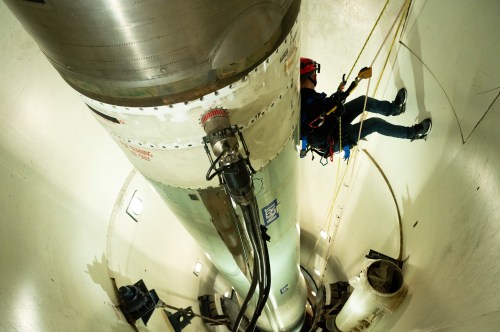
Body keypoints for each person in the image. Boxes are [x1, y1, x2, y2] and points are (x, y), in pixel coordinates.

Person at [299, 57, 432, 161]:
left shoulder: (307, 96)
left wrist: (338, 97)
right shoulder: (305, 101)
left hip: (333, 122)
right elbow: (317, 136)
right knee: (375, 124)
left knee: (363, 101)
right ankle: (413, 132)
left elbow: (324, 106)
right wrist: (333, 116)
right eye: (315, 72)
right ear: (311, 75)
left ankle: (394, 109)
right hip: (334, 138)